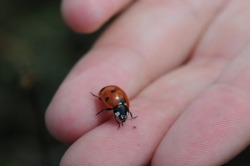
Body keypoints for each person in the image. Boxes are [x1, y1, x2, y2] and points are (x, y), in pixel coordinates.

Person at [45, 0, 250, 165]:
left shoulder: (117, 104)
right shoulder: (117, 103)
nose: (121, 116)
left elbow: (114, 105)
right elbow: (112, 103)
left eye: (121, 115)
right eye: (121, 115)